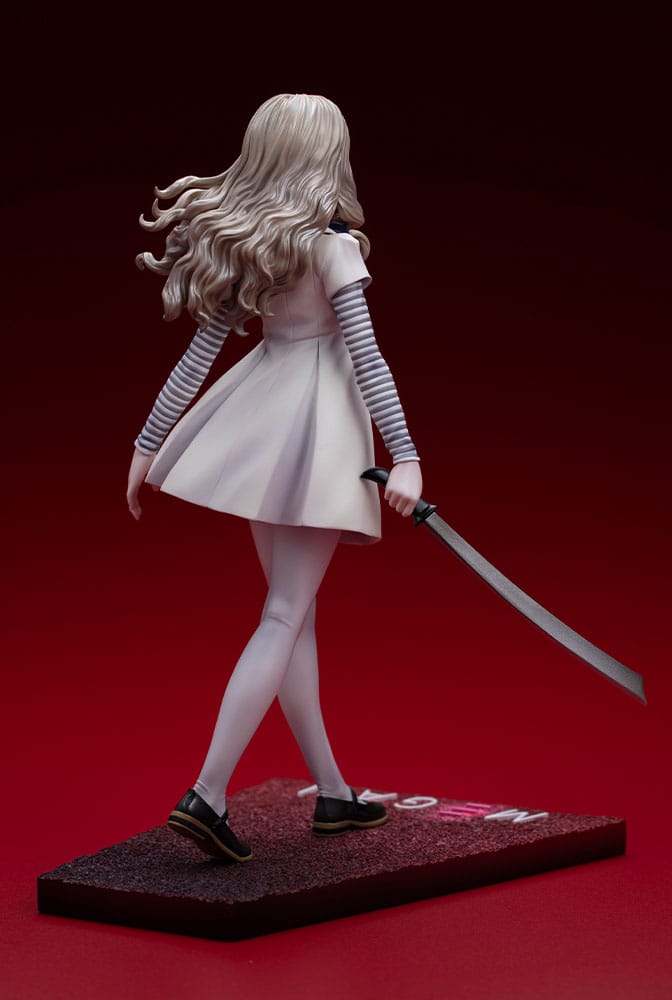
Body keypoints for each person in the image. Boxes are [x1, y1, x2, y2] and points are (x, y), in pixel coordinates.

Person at [126, 94, 423, 862]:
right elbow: (367, 356)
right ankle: (208, 792)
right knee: (285, 615)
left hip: (263, 424)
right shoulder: (330, 247)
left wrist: (148, 441)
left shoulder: (257, 246)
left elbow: (199, 354)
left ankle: (333, 792)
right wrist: (408, 455)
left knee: (294, 618)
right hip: (315, 431)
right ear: (327, 156)